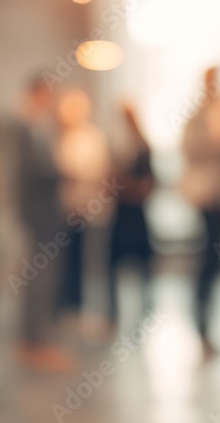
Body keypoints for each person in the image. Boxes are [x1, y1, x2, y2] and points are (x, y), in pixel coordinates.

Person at [13, 76, 72, 371]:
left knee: (44, 277)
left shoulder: (39, 126)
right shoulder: (25, 126)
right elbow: (36, 171)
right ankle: (34, 340)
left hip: (46, 213)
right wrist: (67, 170)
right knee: (39, 277)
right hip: (37, 214)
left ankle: (38, 337)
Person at [181, 67, 220, 353]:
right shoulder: (198, 116)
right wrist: (218, 144)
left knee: (216, 258)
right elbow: (190, 148)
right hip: (205, 196)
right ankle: (201, 322)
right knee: (208, 256)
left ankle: (209, 323)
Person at [55, 87, 111, 326]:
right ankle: (72, 309)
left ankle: (100, 311)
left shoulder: (94, 137)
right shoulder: (61, 138)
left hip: (92, 207)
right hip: (68, 208)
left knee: (96, 260)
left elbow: (101, 170)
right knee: (70, 261)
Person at [107, 102, 156, 326]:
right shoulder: (119, 145)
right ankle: (113, 313)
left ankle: (147, 309)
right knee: (114, 263)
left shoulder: (142, 147)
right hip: (121, 212)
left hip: (136, 213)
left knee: (143, 262)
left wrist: (125, 187)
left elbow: (146, 185)